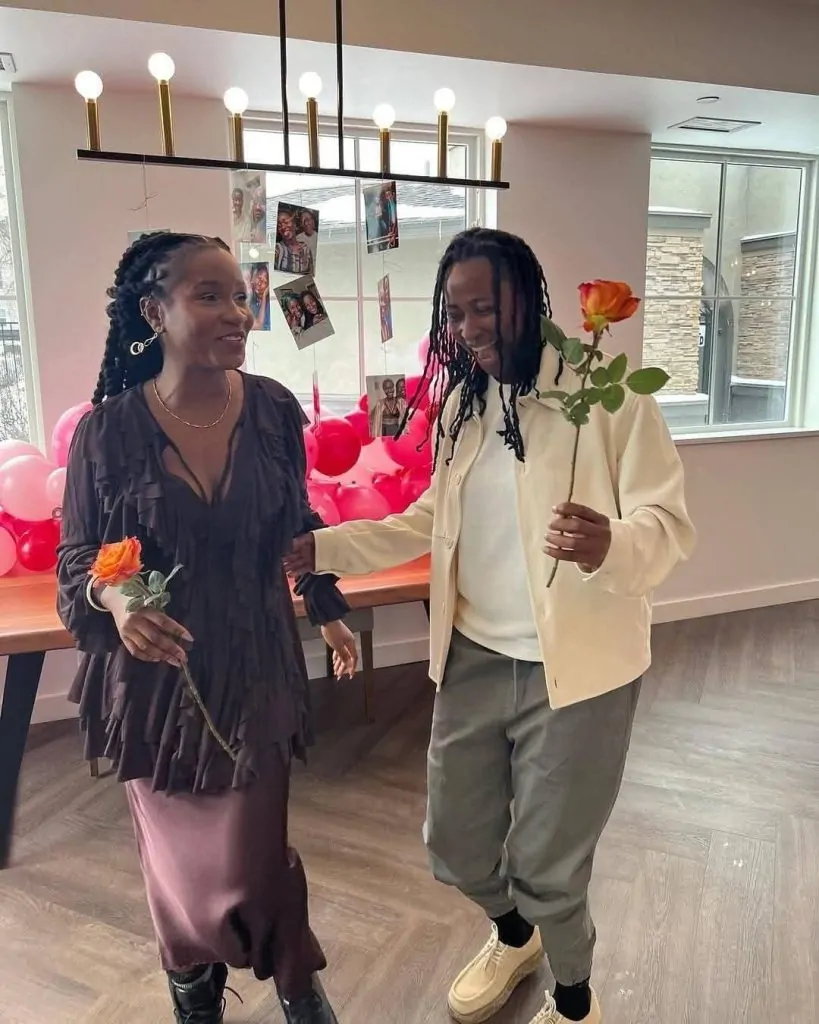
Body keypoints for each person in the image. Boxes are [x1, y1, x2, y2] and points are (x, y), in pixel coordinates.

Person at [285, 227, 696, 1024]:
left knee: (548, 862)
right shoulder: (462, 409)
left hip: (579, 669)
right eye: (455, 312)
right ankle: (515, 938)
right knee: (456, 843)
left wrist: (610, 543)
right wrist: (323, 549)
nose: (469, 326)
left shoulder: (607, 397)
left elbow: (667, 526)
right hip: (473, 658)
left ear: (528, 299)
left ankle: (573, 1001)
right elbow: (427, 521)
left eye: (486, 306)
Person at [57, 231, 356, 1024]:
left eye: (241, 296)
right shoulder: (107, 432)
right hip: (157, 685)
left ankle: (294, 979)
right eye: (210, 296)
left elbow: (296, 524)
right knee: (179, 872)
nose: (238, 313)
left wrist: (326, 609)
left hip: (257, 668)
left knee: (254, 862)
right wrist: (120, 601)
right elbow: (78, 559)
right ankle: (193, 991)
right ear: (154, 311)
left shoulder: (272, 411)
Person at [275, 210, 314, 276]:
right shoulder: (278, 249)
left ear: (294, 224)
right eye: (279, 225)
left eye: (286, 222)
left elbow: (311, 275)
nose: (283, 227)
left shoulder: (306, 249)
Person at [248, 262, 270, 331]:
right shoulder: (252, 303)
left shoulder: (270, 306)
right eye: (259, 278)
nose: (259, 283)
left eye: (265, 282)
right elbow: (258, 325)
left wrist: (264, 296)